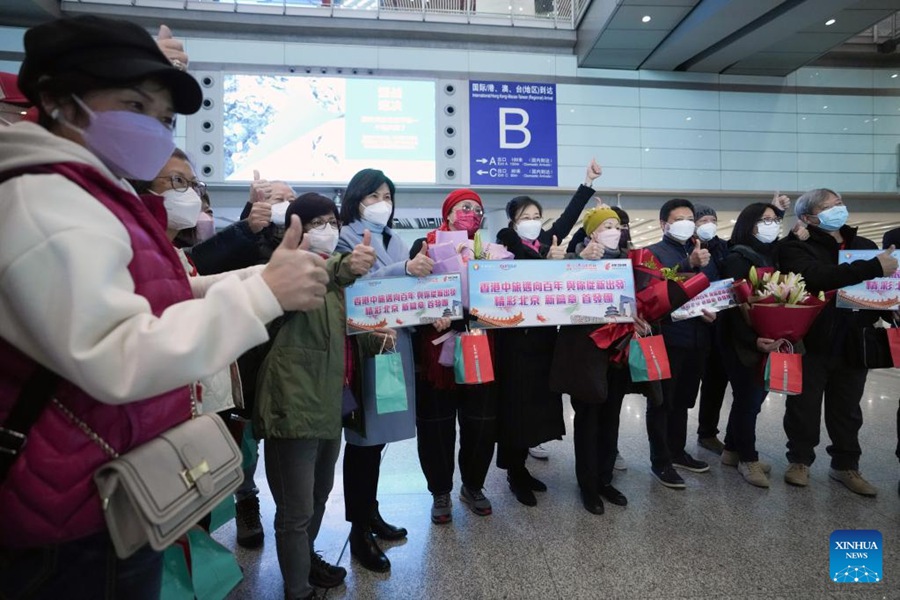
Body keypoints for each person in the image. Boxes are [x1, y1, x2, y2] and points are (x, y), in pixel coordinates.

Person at [0, 15, 328, 599]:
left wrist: (261, 274)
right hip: (68, 516)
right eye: (132, 104)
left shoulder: (96, 189)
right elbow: (115, 353)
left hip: (105, 489)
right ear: (56, 100)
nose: (154, 130)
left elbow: (162, 290)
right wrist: (263, 293)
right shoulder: (44, 197)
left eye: (163, 118)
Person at [255, 195, 378, 599]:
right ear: (297, 228)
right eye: (318, 222)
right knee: (295, 510)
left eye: (333, 221)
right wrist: (344, 265)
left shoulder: (334, 284)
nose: (329, 228)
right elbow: (326, 274)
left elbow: (334, 329)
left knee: (319, 494)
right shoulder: (285, 270)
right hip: (294, 403)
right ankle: (296, 589)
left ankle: (305, 561)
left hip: (329, 400)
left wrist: (369, 335)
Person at [492, 159, 602, 506]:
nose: (532, 222)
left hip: (543, 340)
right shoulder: (505, 242)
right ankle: (513, 472)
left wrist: (586, 183)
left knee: (537, 407)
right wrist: (547, 264)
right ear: (513, 221)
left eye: (536, 215)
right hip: (514, 340)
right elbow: (516, 277)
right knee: (515, 407)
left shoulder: (546, 242)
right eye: (525, 216)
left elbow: (567, 220)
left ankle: (522, 466)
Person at [776, 188, 897, 496]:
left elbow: (880, 287)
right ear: (808, 217)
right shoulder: (795, 248)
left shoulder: (864, 246)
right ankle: (799, 461)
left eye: (840, 203)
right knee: (803, 406)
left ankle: (846, 465)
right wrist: (872, 268)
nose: (839, 209)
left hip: (854, 340)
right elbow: (817, 277)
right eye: (830, 206)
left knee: (847, 409)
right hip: (811, 340)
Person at [337, 168, 422, 573]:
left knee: (380, 439)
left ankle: (371, 513)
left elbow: (407, 292)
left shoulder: (396, 238)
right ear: (356, 200)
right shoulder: (344, 238)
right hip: (365, 347)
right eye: (373, 196)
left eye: (387, 195)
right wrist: (402, 271)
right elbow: (359, 289)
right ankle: (357, 532)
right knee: (362, 442)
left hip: (394, 346)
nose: (381, 203)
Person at [550, 207, 649, 514]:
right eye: (606, 225)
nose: (613, 230)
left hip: (618, 353)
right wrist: (577, 261)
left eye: (617, 225)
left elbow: (645, 298)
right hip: (585, 353)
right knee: (588, 420)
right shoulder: (575, 260)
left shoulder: (630, 263)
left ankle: (605, 479)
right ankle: (588, 485)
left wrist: (640, 318)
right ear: (592, 232)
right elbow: (556, 293)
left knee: (611, 418)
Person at [410, 189, 499, 522]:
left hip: (479, 347)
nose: (472, 213)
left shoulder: (488, 252)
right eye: (465, 208)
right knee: (436, 427)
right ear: (447, 214)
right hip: (435, 353)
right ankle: (441, 492)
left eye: (478, 209)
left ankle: (473, 485)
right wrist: (431, 310)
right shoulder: (426, 244)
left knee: (481, 424)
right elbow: (410, 293)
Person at [645, 199, 719, 486]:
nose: (687, 222)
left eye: (690, 217)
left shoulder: (702, 250)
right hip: (668, 338)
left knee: (684, 401)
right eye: (679, 218)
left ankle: (677, 451)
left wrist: (715, 309)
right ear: (665, 224)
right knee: (662, 402)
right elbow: (653, 292)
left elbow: (711, 289)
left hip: (699, 337)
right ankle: (660, 461)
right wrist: (687, 264)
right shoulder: (653, 253)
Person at [717, 203, 785, 487]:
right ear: (749, 224)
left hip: (767, 336)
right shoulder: (737, 258)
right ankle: (748, 458)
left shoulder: (772, 255)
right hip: (741, 342)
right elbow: (733, 308)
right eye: (764, 220)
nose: (771, 224)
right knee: (748, 400)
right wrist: (752, 339)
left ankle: (732, 450)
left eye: (774, 220)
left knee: (753, 400)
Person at [693, 204, 729, 455]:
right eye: (703, 219)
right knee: (684, 385)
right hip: (693, 324)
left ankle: (707, 432)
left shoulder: (725, 248)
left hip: (721, 326)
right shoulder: (687, 250)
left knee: (715, 383)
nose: (708, 223)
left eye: (712, 219)